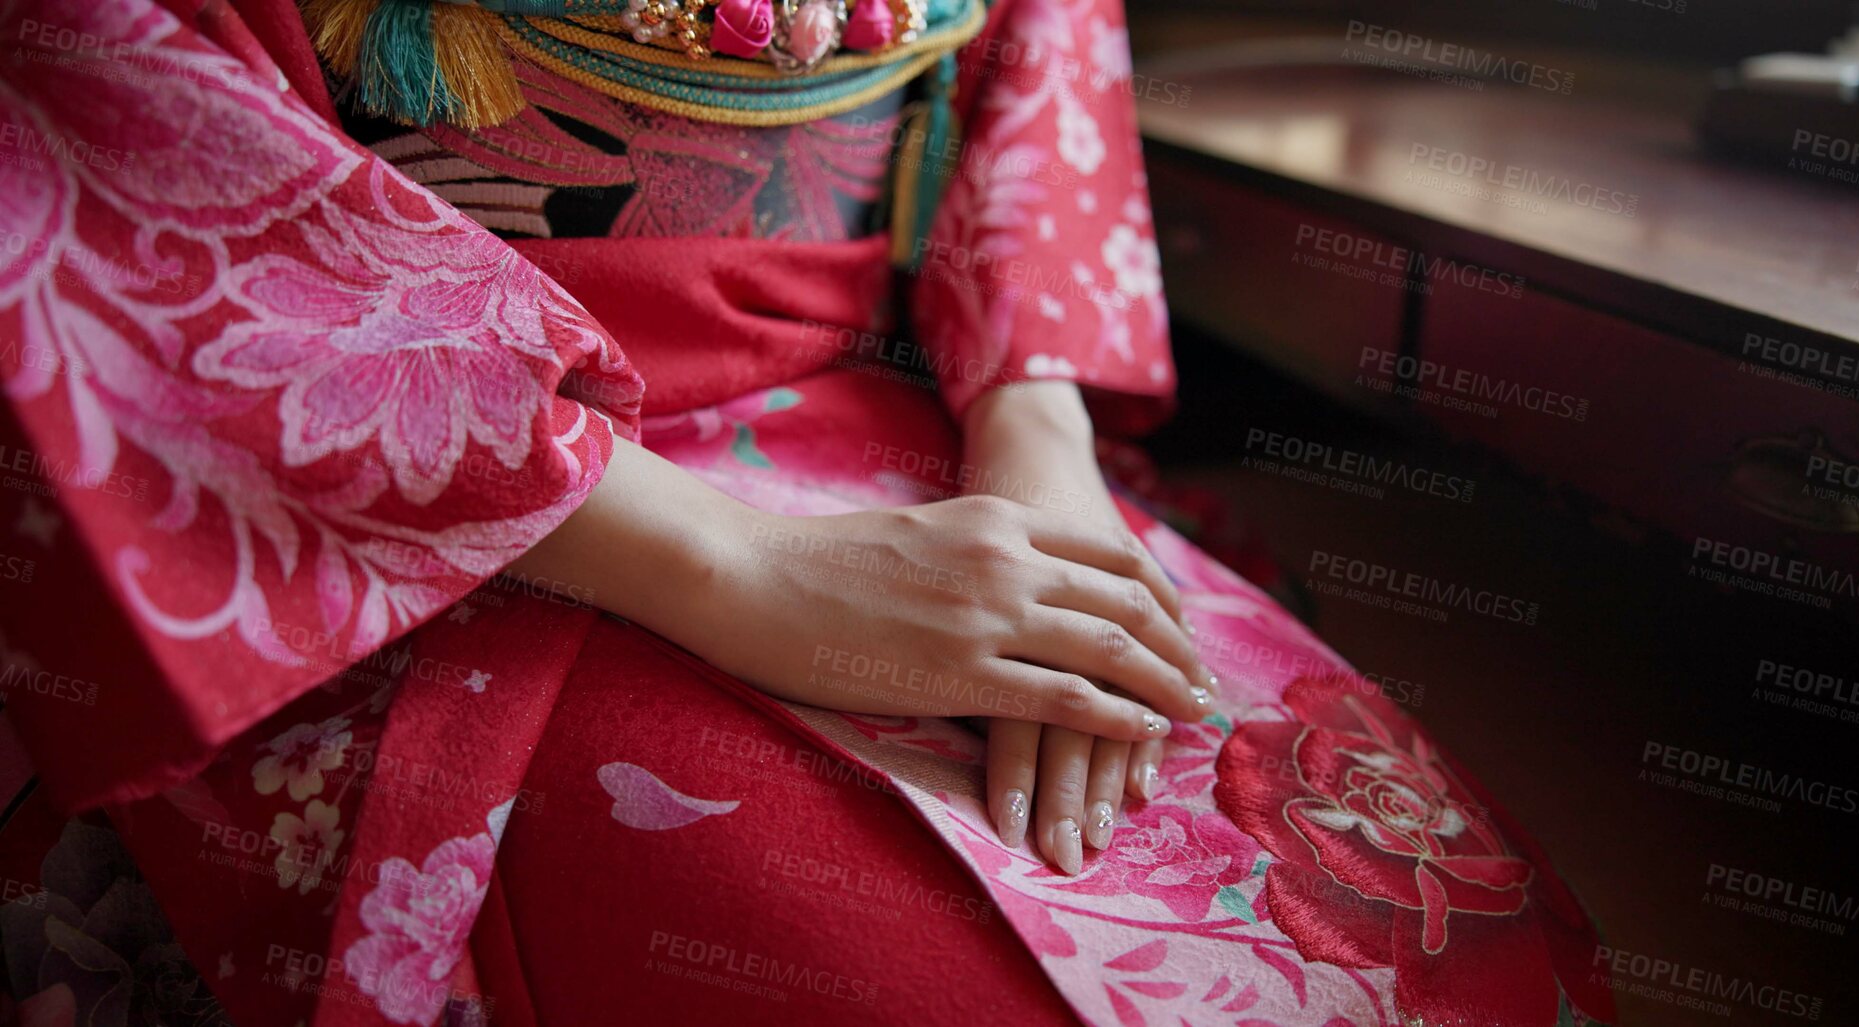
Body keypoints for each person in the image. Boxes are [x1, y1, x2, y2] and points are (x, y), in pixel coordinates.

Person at [0, 1, 1617, 1024]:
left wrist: (1039, 451)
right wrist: (724, 569)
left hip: (912, 424)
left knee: (1416, 929)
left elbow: (1039, 71)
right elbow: (99, 117)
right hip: (443, 486)